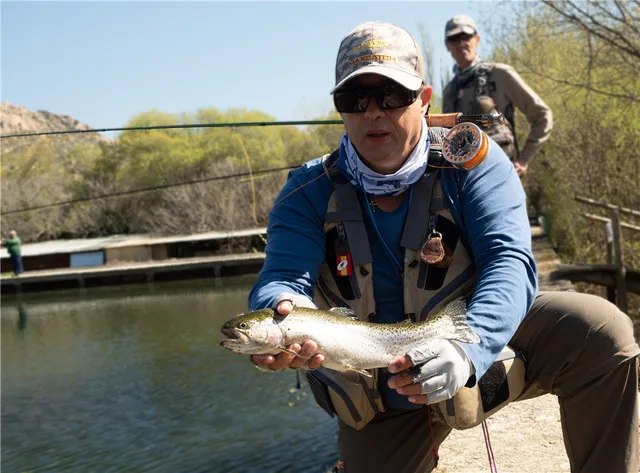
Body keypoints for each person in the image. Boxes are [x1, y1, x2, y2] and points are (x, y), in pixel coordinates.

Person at [247, 21, 639, 473]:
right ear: (340, 109)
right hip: (379, 390)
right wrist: (282, 307)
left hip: (471, 342)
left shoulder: (474, 163)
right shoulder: (305, 191)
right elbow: (282, 275)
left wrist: (468, 348)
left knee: (600, 331)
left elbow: (509, 263)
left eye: (392, 94)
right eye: (355, 99)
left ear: (425, 98)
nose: (374, 112)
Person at [442, 15, 553, 177]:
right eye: (454, 39)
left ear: (477, 39)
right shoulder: (449, 91)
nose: (460, 44)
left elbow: (543, 116)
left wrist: (524, 159)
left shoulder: (500, 74)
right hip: (463, 183)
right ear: (447, 45)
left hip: (500, 175)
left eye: (465, 37)